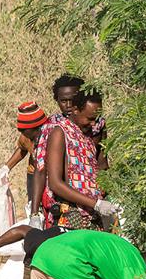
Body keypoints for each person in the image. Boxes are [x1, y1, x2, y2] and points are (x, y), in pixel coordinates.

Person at [37, 91, 117, 229]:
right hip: (71, 216)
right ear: (75, 110)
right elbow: (55, 183)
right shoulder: (60, 133)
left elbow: (101, 168)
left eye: (96, 119)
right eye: (89, 118)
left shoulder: (86, 137)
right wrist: (96, 204)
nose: (93, 124)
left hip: (92, 216)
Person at [0, 102, 49, 219]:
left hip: (50, 178)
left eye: (24, 130)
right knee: (34, 207)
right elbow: (22, 149)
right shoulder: (27, 136)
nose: (21, 133)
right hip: (34, 175)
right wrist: (6, 168)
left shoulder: (52, 136)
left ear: (36, 127)